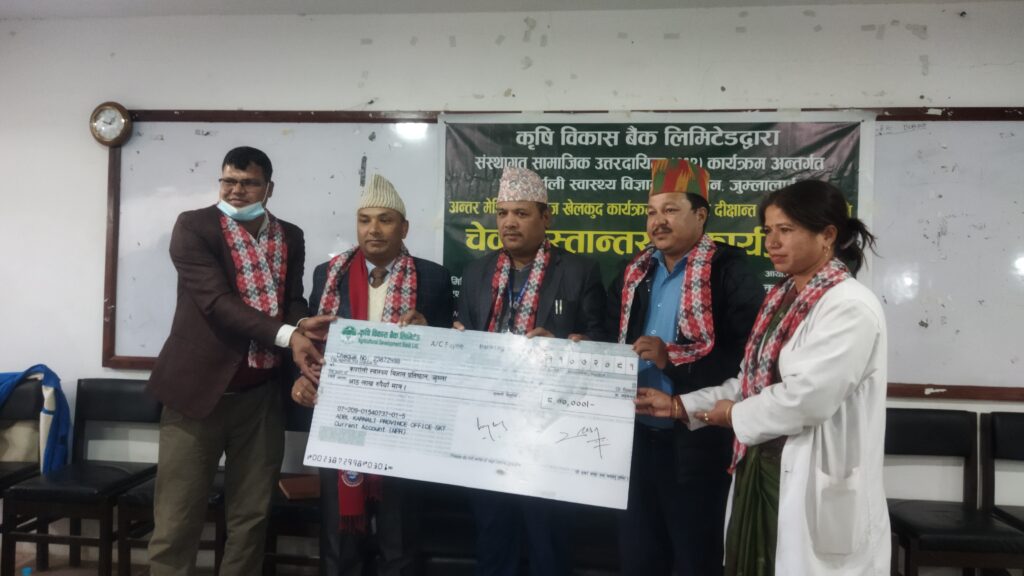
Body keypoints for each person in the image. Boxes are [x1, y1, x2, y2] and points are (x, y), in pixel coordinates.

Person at [635, 179, 890, 575]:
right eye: (768, 230)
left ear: (827, 235)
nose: (772, 242)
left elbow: (807, 400)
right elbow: (749, 382)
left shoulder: (848, 306)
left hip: (812, 480)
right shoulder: (782, 299)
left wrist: (730, 415)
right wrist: (679, 406)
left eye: (786, 230)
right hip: (762, 470)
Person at [147, 146, 333, 576]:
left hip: (260, 398)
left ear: (269, 188)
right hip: (196, 396)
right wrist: (290, 335)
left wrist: (301, 322)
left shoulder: (290, 235)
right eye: (228, 181)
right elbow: (217, 303)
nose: (235, 190)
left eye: (248, 183)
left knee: (251, 517)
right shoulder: (193, 227)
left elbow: (290, 299)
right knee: (177, 520)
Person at [291, 174, 455, 576]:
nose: (374, 229)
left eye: (385, 220)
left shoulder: (433, 277)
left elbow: (450, 353)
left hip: (403, 425)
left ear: (404, 228)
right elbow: (313, 339)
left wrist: (430, 334)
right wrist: (303, 379)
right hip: (340, 421)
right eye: (365, 220)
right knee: (340, 539)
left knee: (399, 540)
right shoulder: (327, 274)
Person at [608, 158, 763, 576]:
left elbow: (746, 359)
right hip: (634, 438)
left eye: (671, 210)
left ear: (701, 215)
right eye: (651, 212)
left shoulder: (729, 270)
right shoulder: (635, 272)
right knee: (638, 555)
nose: (657, 221)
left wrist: (669, 358)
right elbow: (609, 334)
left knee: (695, 557)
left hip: (696, 443)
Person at [455, 166, 607, 576]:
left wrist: (560, 347)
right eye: (503, 213)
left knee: (547, 539)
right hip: (488, 429)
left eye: (521, 213)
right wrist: (457, 339)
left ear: (546, 218)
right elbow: (463, 333)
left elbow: (601, 341)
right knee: (492, 535)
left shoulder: (579, 271)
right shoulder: (476, 272)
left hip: (550, 431)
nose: (509, 222)